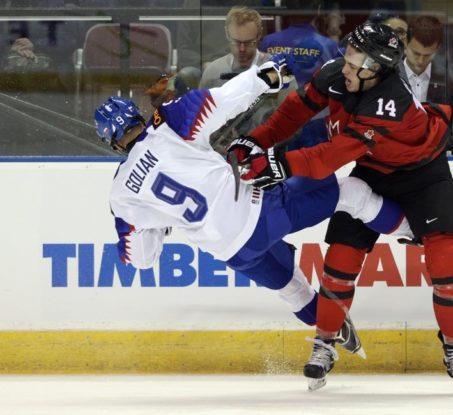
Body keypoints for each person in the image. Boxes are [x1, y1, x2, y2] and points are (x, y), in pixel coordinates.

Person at [95, 57, 413, 360]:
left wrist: (159, 227)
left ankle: (335, 339)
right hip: (259, 213)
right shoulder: (167, 123)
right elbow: (221, 101)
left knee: (293, 290)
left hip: (231, 251)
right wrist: (264, 78)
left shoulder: (121, 194)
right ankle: (413, 231)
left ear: (112, 142)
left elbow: (141, 259)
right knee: (349, 192)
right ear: (137, 115)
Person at [233, 22, 453, 394]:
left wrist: (275, 162)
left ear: (376, 69)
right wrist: (254, 142)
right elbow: (293, 113)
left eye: (352, 62)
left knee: (446, 263)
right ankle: (324, 343)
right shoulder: (339, 73)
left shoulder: (388, 101)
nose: (343, 66)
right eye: (346, 58)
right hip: (375, 170)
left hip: (425, 175)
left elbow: (327, 158)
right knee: (340, 259)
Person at [198, 6, 297, 137]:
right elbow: (199, 122)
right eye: (236, 42)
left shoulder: (280, 71)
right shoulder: (213, 72)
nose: (242, 49)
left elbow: (294, 122)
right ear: (227, 33)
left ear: (260, 34)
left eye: (249, 42)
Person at [258, 0, 339, 150]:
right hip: (314, 121)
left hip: (278, 118)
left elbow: (262, 82)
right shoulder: (329, 46)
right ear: (317, 11)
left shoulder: (269, 42)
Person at [398, 15, 453, 154]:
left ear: (437, 49)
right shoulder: (388, 76)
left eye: (427, 55)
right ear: (405, 42)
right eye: (416, 53)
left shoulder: (449, 80)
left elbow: (451, 128)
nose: (420, 61)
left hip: (435, 156)